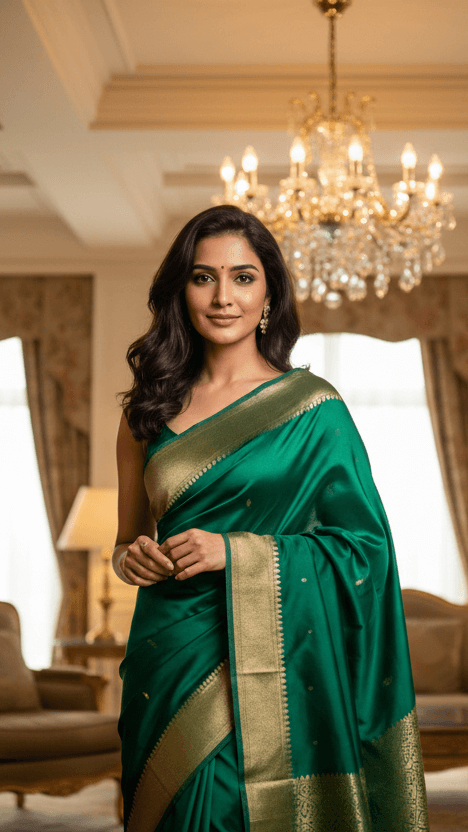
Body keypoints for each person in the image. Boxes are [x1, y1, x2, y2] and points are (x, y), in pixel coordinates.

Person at [112, 204, 429, 832]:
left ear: (269, 293)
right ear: (181, 291)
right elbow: (128, 540)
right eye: (203, 278)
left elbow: (366, 549)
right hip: (169, 653)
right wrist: (130, 557)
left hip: (275, 666)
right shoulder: (145, 411)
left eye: (243, 277)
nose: (223, 297)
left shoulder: (314, 411)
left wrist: (236, 552)